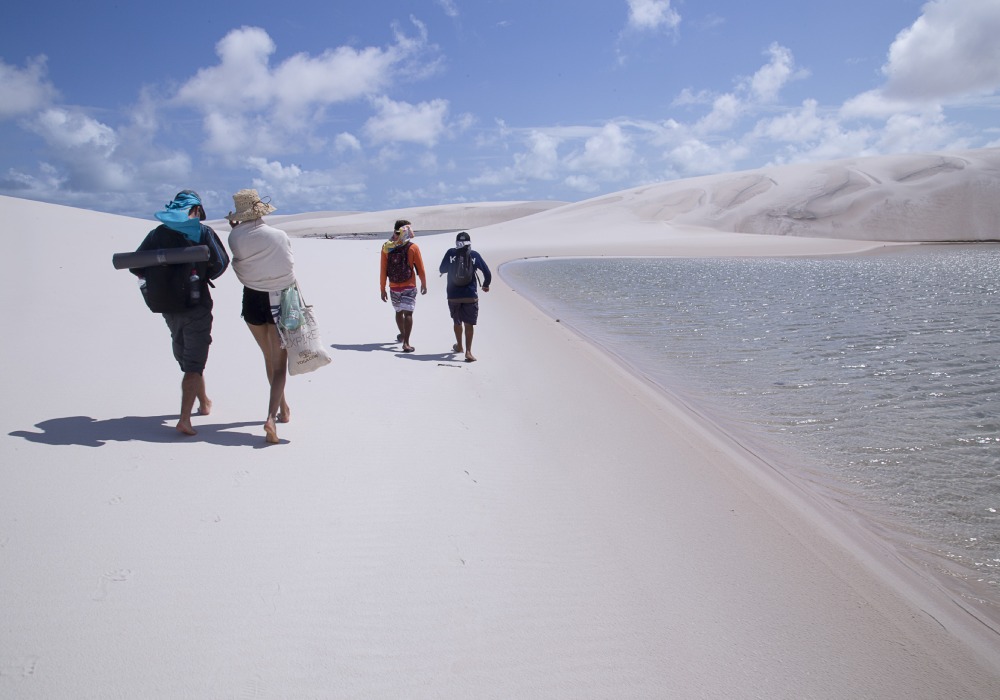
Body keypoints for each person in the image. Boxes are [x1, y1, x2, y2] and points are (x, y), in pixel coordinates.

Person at [132, 190, 230, 436]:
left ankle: (204, 402)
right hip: (196, 305)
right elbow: (221, 263)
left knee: (188, 358)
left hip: (167, 306)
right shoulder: (202, 232)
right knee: (194, 363)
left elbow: (135, 264)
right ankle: (184, 419)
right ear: (195, 209)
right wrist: (201, 273)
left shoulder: (157, 234)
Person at [227, 189, 295, 444]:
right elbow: (288, 266)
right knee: (279, 363)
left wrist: (235, 228)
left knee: (268, 356)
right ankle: (271, 417)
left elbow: (241, 262)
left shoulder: (235, 237)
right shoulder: (278, 235)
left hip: (252, 298)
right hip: (279, 299)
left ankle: (283, 408)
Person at [439, 231, 491, 362]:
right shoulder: (474, 255)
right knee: (469, 324)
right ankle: (468, 351)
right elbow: (487, 273)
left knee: (457, 321)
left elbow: (441, 269)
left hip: (453, 295)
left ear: (456, 242)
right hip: (470, 294)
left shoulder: (451, 253)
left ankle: (459, 346)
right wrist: (485, 285)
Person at [379, 219, 427, 353]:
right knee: (409, 313)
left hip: (394, 286)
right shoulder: (413, 247)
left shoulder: (386, 247)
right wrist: (423, 283)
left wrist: (382, 289)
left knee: (399, 312)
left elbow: (383, 270)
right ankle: (406, 342)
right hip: (409, 285)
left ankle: (402, 334)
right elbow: (420, 268)